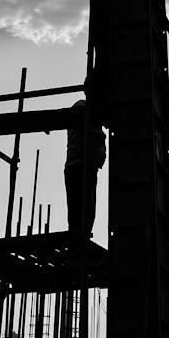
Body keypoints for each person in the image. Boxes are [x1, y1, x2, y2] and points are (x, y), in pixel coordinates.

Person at [64, 99, 106, 236]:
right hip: (83, 165)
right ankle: (80, 238)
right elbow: (96, 139)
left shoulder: (79, 108)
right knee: (85, 210)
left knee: (76, 212)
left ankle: (77, 237)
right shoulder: (87, 111)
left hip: (75, 165)